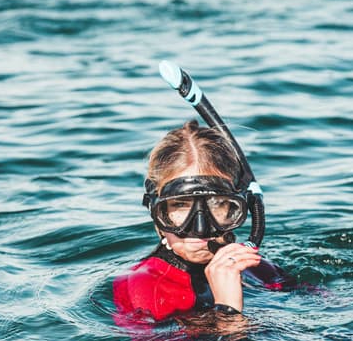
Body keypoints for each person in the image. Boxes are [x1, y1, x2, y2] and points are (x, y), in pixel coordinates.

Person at [113, 120, 292, 324]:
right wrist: (228, 309)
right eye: (180, 205)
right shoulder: (143, 287)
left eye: (217, 204)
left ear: (239, 207)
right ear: (156, 211)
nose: (200, 229)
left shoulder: (255, 268)